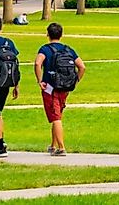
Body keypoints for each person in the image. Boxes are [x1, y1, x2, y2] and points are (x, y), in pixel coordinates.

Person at [34, 23, 86, 156]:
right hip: (65, 87)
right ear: (61, 35)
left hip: (50, 87)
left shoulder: (45, 49)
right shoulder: (68, 50)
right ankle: (53, 145)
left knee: (55, 117)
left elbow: (37, 63)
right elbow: (82, 67)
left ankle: (61, 148)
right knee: (57, 115)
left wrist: (40, 81)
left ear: (47, 34)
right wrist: (75, 81)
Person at [0, 16, 20, 157]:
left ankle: (0, 145)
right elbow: (15, 65)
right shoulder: (8, 42)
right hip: (6, 82)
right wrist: (16, 85)